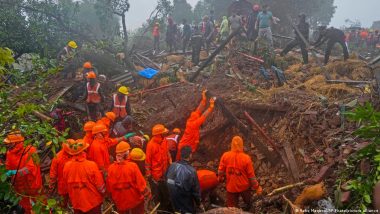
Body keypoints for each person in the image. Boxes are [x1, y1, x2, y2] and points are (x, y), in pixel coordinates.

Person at [218, 136, 263, 211]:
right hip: (244, 187)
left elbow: (220, 171)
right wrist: (257, 187)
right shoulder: (246, 158)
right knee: (249, 203)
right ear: (242, 145)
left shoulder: (225, 156)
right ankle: (248, 210)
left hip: (231, 187)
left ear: (231, 144)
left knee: (231, 209)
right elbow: (251, 176)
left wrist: (220, 178)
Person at [4, 131, 42, 214]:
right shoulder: (9, 153)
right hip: (19, 185)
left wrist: (14, 172)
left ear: (16, 143)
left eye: (9, 143)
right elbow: (7, 166)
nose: (7, 145)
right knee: (24, 206)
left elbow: (29, 169)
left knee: (40, 204)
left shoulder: (31, 150)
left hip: (33, 183)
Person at [63, 139, 106, 214]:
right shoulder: (91, 165)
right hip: (93, 204)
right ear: (84, 151)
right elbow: (100, 186)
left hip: (76, 203)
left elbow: (66, 184)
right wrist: (105, 194)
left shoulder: (67, 166)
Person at [107, 142, 150, 214]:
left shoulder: (110, 168)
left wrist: (112, 199)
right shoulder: (133, 166)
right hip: (135, 202)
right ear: (126, 153)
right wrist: (148, 194)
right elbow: (142, 186)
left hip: (120, 203)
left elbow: (109, 188)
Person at [176, 90, 215, 160]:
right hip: (184, 149)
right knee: (180, 163)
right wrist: (211, 107)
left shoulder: (190, 120)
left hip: (184, 146)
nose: (198, 115)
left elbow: (199, 110)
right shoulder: (194, 124)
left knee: (180, 163)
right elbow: (204, 116)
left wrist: (204, 99)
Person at [145, 124, 173, 213]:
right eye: (163, 133)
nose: (165, 134)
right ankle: (160, 210)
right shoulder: (151, 145)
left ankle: (168, 206)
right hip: (156, 176)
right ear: (158, 135)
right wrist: (149, 176)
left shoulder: (164, 140)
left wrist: (170, 162)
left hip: (165, 172)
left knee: (166, 192)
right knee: (157, 195)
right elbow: (147, 162)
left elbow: (167, 152)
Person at [167, 146, 202, 214]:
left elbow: (167, 178)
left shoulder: (172, 165)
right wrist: (199, 203)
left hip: (173, 198)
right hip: (184, 201)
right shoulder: (191, 171)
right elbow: (196, 191)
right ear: (190, 155)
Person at [49, 139, 74, 206]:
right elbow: (53, 174)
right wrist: (51, 185)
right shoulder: (57, 158)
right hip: (63, 185)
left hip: (73, 184)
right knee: (63, 203)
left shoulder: (75, 154)